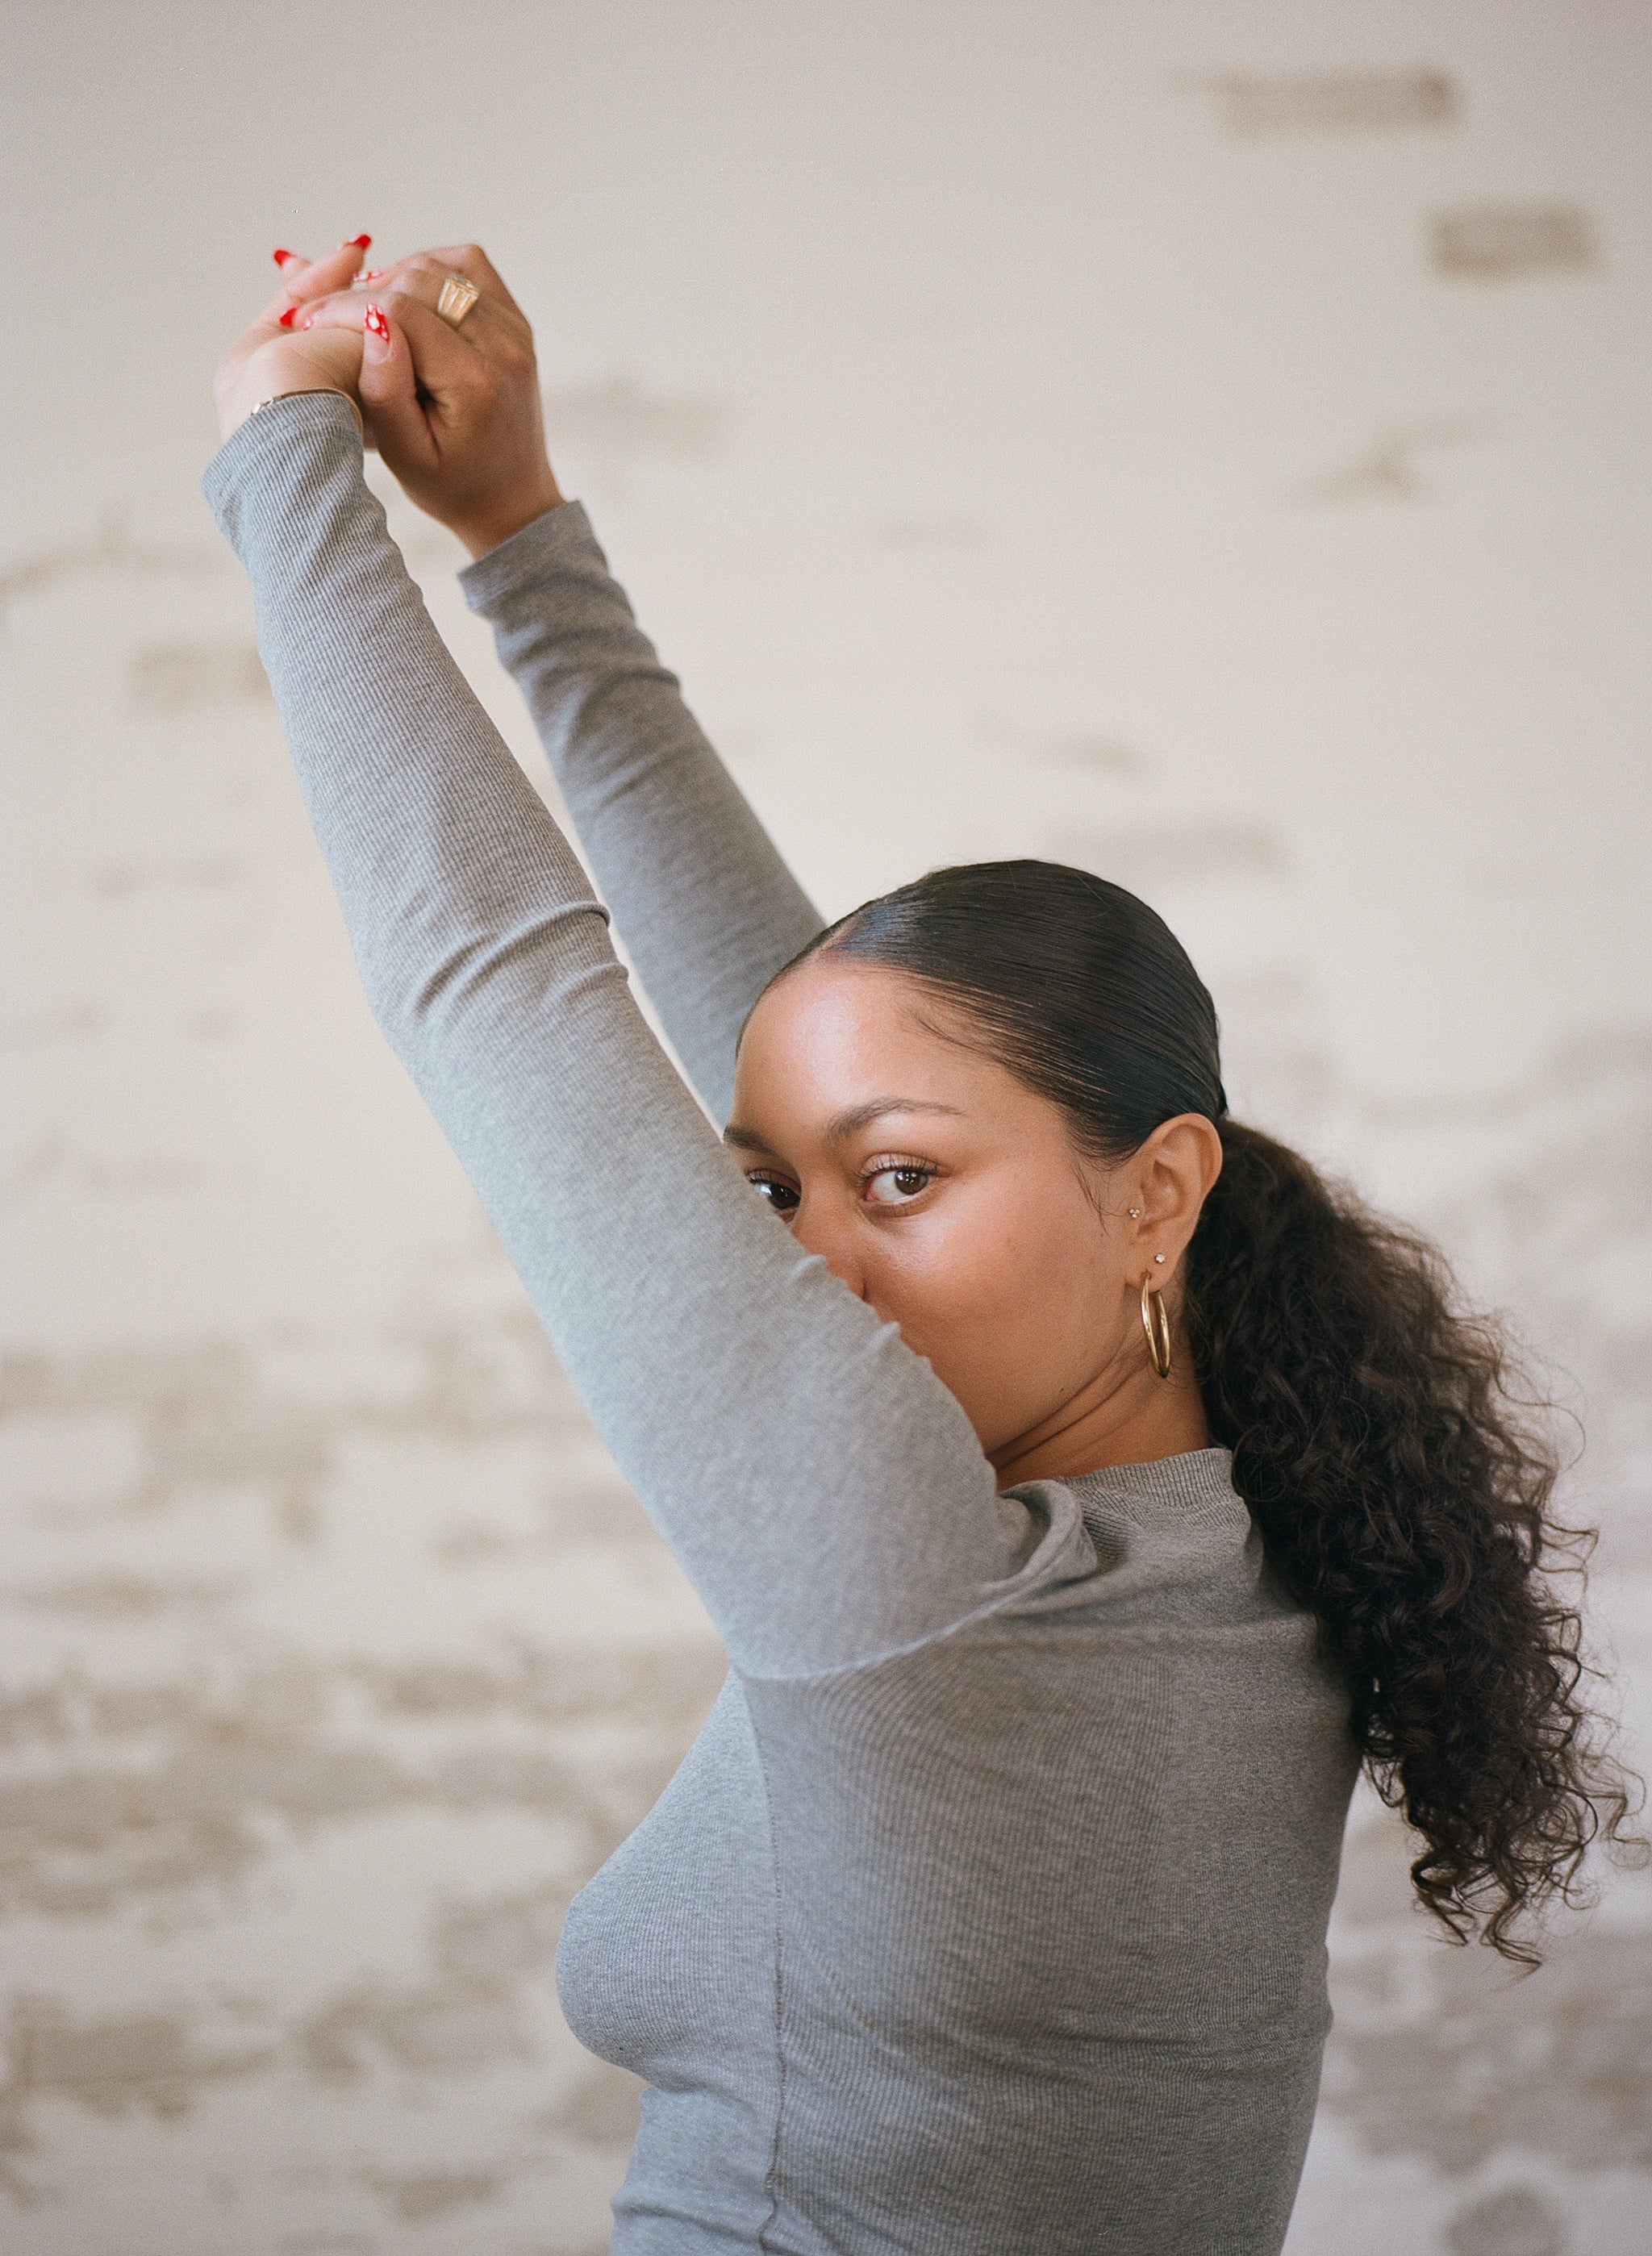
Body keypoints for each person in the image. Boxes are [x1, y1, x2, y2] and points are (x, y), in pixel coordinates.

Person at [205, 236, 1636, 2256]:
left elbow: (495, 987)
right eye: (771, 1195)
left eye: (900, 1190)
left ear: (1158, 1186)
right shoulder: (1249, 1556)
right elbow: (811, 1044)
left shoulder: (932, 1582)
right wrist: (516, 535)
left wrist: (279, 445)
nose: (808, 1265)